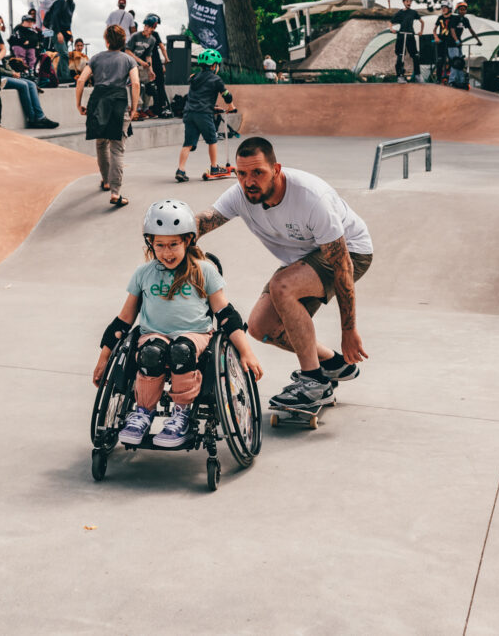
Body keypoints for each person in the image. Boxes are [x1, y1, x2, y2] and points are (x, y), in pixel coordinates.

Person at [194, 136, 373, 412]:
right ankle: (334, 364)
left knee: (282, 286)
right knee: (260, 327)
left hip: (351, 252)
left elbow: (342, 265)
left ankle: (313, 383)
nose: (249, 181)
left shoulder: (311, 198)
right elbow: (204, 221)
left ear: (276, 170)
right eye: (241, 174)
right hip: (303, 258)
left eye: (258, 173)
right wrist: (170, 235)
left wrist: (348, 329)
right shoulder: (241, 195)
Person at [93, 199, 263, 447]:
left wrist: (246, 352)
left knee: (181, 350)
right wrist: (103, 359)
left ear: (188, 241)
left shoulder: (204, 271)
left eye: (174, 244)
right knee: (151, 353)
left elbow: (226, 315)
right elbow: (123, 321)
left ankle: (181, 415)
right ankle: (143, 413)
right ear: (150, 243)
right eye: (159, 245)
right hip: (153, 335)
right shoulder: (143, 274)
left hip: (196, 336)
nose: (167, 252)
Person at [75, 24, 140, 207]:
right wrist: (134, 107)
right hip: (118, 101)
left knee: (101, 143)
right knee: (117, 148)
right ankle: (115, 192)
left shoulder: (95, 58)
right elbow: (135, 84)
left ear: (106, 41)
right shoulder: (128, 60)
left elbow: (81, 80)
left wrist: (78, 104)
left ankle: (105, 180)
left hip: (98, 100)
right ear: (123, 41)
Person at [175, 49, 234, 182]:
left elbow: (198, 96)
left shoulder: (194, 77)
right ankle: (214, 168)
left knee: (188, 143)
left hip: (189, 113)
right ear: (214, 66)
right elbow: (227, 95)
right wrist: (231, 107)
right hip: (203, 114)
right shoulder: (216, 79)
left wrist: (212, 107)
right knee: (212, 139)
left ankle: (181, 169)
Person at [0, 57, 60, 128]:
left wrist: (13, 72)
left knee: (32, 84)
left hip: (8, 75)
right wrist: (11, 73)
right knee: (23, 85)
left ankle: (40, 117)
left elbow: (5, 63)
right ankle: (32, 119)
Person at [125, 15, 160, 119]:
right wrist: (140, 61)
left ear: (153, 28)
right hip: (129, 63)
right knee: (135, 85)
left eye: (149, 27)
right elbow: (127, 51)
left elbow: (149, 56)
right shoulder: (136, 36)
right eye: (145, 26)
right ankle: (137, 109)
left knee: (149, 84)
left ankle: (145, 108)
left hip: (139, 65)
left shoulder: (152, 40)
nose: (146, 28)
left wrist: (151, 70)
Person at [47, 0, 78, 83]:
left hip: (64, 32)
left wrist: (70, 34)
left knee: (62, 54)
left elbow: (68, 21)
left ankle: (59, 77)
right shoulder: (61, 1)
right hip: (56, 31)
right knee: (64, 54)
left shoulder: (72, 4)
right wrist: (58, 32)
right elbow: (54, 17)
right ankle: (64, 76)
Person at [390, 0, 422, 83]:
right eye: (407, 1)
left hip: (410, 35)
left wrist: (421, 31)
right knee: (401, 55)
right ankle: (400, 75)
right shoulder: (400, 13)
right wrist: (391, 29)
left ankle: (417, 75)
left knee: (415, 55)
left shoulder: (413, 12)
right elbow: (390, 22)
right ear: (404, 2)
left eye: (410, 1)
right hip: (401, 35)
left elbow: (421, 21)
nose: (409, 3)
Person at [432, 0, 455, 84]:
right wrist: (436, 37)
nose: (443, 9)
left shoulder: (454, 18)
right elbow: (434, 30)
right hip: (441, 41)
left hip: (451, 42)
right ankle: (438, 79)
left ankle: (452, 79)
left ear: (450, 8)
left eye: (445, 7)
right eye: (442, 7)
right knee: (440, 60)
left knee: (452, 61)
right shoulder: (440, 18)